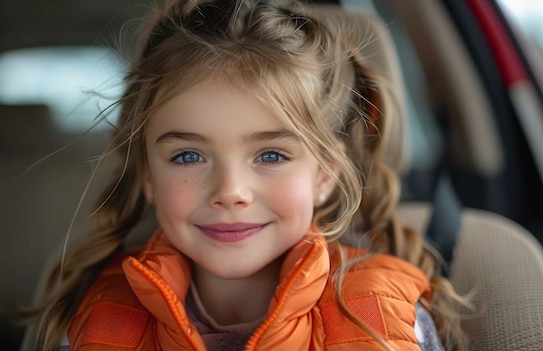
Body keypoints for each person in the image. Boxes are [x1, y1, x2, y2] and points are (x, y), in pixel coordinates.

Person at [30, 0, 469, 349]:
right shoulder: (97, 321)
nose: (230, 192)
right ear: (148, 176)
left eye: (272, 155)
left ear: (325, 174)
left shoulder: (386, 322)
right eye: (187, 157)